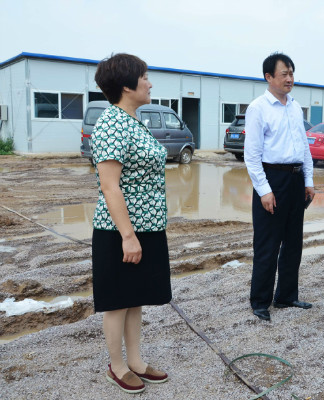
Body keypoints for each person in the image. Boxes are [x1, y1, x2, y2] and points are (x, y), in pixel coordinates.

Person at [91, 53, 171, 393]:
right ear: (126, 85)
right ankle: (117, 365)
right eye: (145, 77)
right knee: (117, 300)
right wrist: (128, 236)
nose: (150, 83)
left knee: (135, 296)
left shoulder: (133, 120)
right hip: (120, 231)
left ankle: (136, 360)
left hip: (146, 227)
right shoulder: (112, 123)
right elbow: (110, 186)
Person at [244, 52, 315, 321]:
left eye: (292, 73)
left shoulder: (295, 107)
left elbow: (304, 148)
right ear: (269, 77)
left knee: (293, 242)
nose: (289, 78)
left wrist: (308, 181)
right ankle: (260, 301)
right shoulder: (258, 108)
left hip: (295, 180)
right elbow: (252, 155)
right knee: (268, 244)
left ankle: (286, 295)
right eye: (284, 74)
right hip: (272, 179)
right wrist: (264, 190)